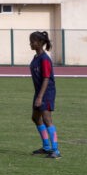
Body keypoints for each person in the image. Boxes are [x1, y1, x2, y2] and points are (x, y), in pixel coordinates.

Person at [30, 30, 61, 159]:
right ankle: (46, 147)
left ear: (40, 43)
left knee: (47, 120)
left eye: (33, 41)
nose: (30, 44)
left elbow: (46, 78)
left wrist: (40, 97)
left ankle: (55, 150)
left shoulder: (45, 59)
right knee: (36, 118)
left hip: (46, 92)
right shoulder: (36, 57)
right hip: (39, 92)